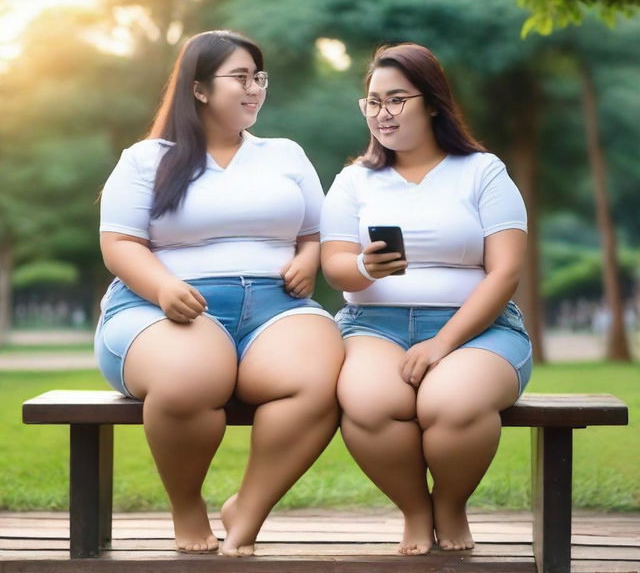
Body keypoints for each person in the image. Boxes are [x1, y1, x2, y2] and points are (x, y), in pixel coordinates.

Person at [95, 30, 344, 556]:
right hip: (159, 307)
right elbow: (119, 242)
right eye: (240, 77)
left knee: (319, 381)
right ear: (200, 88)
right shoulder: (146, 159)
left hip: (277, 309)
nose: (254, 88)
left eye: (259, 78)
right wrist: (163, 287)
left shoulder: (285, 154)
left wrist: (307, 258)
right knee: (190, 377)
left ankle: (248, 510)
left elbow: (318, 233)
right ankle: (187, 507)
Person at [320, 43, 532, 555]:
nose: (382, 113)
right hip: (372, 326)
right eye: (372, 102)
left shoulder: (483, 171)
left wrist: (442, 344)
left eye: (396, 100)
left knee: (452, 403)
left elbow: (505, 273)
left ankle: (451, 504)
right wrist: (365, 268)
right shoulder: (354, 180)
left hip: (479, 328)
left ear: (433, 102)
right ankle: (415, 510)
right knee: (369, 403)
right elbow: (334, 267)